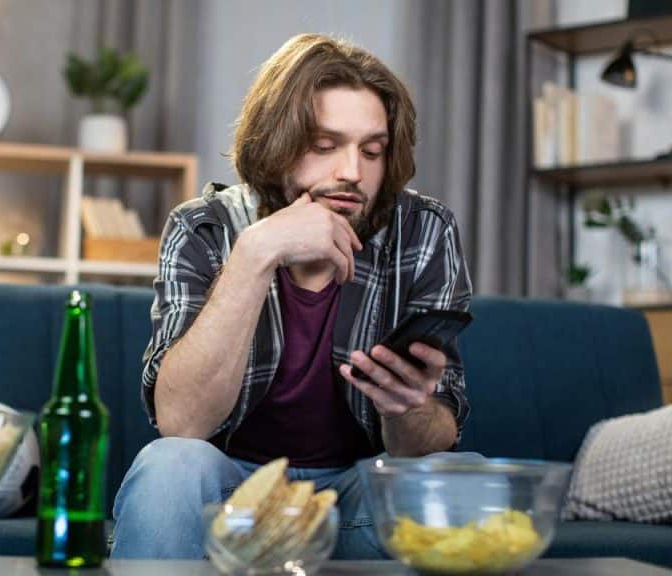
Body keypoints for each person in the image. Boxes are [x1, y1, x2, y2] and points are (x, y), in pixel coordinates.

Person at [110, 33, 473, 559]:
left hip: (357, 492)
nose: (351, 171)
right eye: (324, 146)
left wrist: (407, 409)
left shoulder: (424, 231)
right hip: (231, 493)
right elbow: (181, 422)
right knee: (170, 466)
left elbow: (435, 437)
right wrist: (257, 253)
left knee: (449, 481)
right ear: (273, 143)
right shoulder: (204, 228)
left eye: (372, 150)